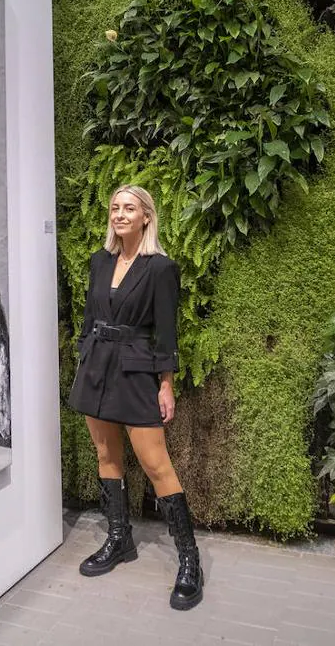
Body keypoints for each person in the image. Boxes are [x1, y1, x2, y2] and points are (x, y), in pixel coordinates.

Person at [67, 184, 204, 611]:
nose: (119, 214)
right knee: (106, 456)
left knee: (155, 463)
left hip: (136, 370)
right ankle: (119, 538)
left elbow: (166, 330)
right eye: (114, 208)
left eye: (129, 208)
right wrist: (84, 359)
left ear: (146, 216)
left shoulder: (161, 268)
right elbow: (89, 319)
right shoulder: (99, 261)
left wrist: (166, 383)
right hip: (96, 369)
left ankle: (189, 561)